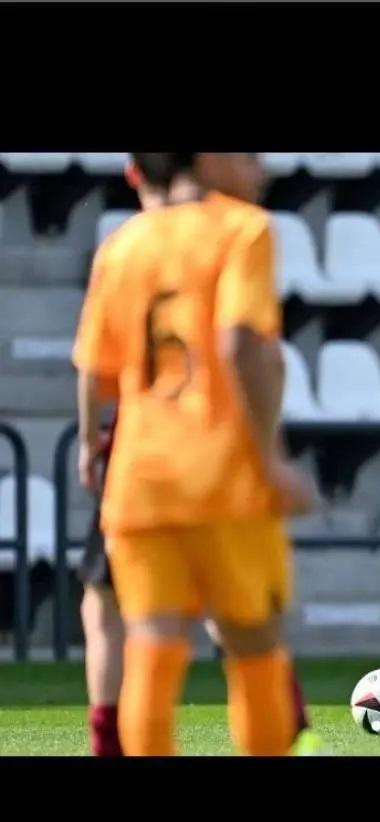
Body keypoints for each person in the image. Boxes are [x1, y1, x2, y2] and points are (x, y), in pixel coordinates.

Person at [74, 152, 312, 755]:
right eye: (251, 156)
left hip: (141, 479)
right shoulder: (243, 228)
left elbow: (93, 370)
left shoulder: (122, 244)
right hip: (223, 475)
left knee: (151, 648)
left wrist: (87, 445)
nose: (261, 170)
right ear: (210, 159)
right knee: (254, 646)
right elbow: (240, 345)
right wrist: (271, 460)